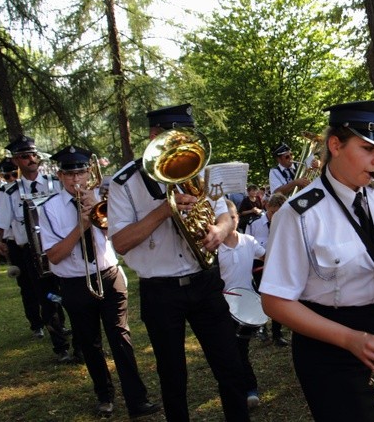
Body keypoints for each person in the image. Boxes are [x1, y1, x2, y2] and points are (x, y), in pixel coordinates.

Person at [260, 99, 374, 422]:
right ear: (335, 145)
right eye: (367, 149)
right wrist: (350, 339)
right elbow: (274, 301)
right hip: (331, 348)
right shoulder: (298, 214)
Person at [107, 103, 250, 422]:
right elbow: (120, 242)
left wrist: (220, 229)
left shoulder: (195, 167)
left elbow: (224, 211)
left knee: (231, 367)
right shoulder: (124, 182)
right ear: (154, 136)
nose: (183, 146)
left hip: (205, 281)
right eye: (175, 138)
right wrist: (164, 210)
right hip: (160, 291)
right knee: (173, 379)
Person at [39, 145, 161, 418]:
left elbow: (119, 238)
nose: (76, 180)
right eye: (70, 175)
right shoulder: (49, 209)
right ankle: (104, 395)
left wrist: (97, 212)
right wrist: (80, 227)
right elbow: (54, 257)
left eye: (81, 173)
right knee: (90, 342)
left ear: (89, 174)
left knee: (120, 336)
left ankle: (137, 399)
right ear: (60, 176)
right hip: (73, 282)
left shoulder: (105, 201)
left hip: (109, 275)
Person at [0, 135, 72, 361]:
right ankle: (61, 347)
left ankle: (81, 345)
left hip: (61, 247)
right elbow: (0, 224)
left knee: (69, 294)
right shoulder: (10, 193)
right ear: (16, 161)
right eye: (25, 156)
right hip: (32, 254)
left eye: (34, 155)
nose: (31, 159)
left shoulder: (55, 184)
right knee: (47, 298)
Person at [218, 200, 265, 408]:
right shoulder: (214, 247)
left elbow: (268, 257)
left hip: (245, 307)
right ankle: (240, 389)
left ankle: (249, 389)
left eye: (234, 217)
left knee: (240, 351)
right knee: (228, 352)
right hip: (221, 307)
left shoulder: (248, 240)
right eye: (226, 218)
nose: (232, 221)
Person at [245, 193, 288, 343]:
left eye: (279, 213)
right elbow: (247, 245)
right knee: (261, 298)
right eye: (272, 212)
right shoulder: (254, 223)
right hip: (259, 265)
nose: (274, 216)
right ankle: (262, 328)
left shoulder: (287, 223)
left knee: (278, 297)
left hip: (278, 263)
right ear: (266, 208)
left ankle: (277, 333)